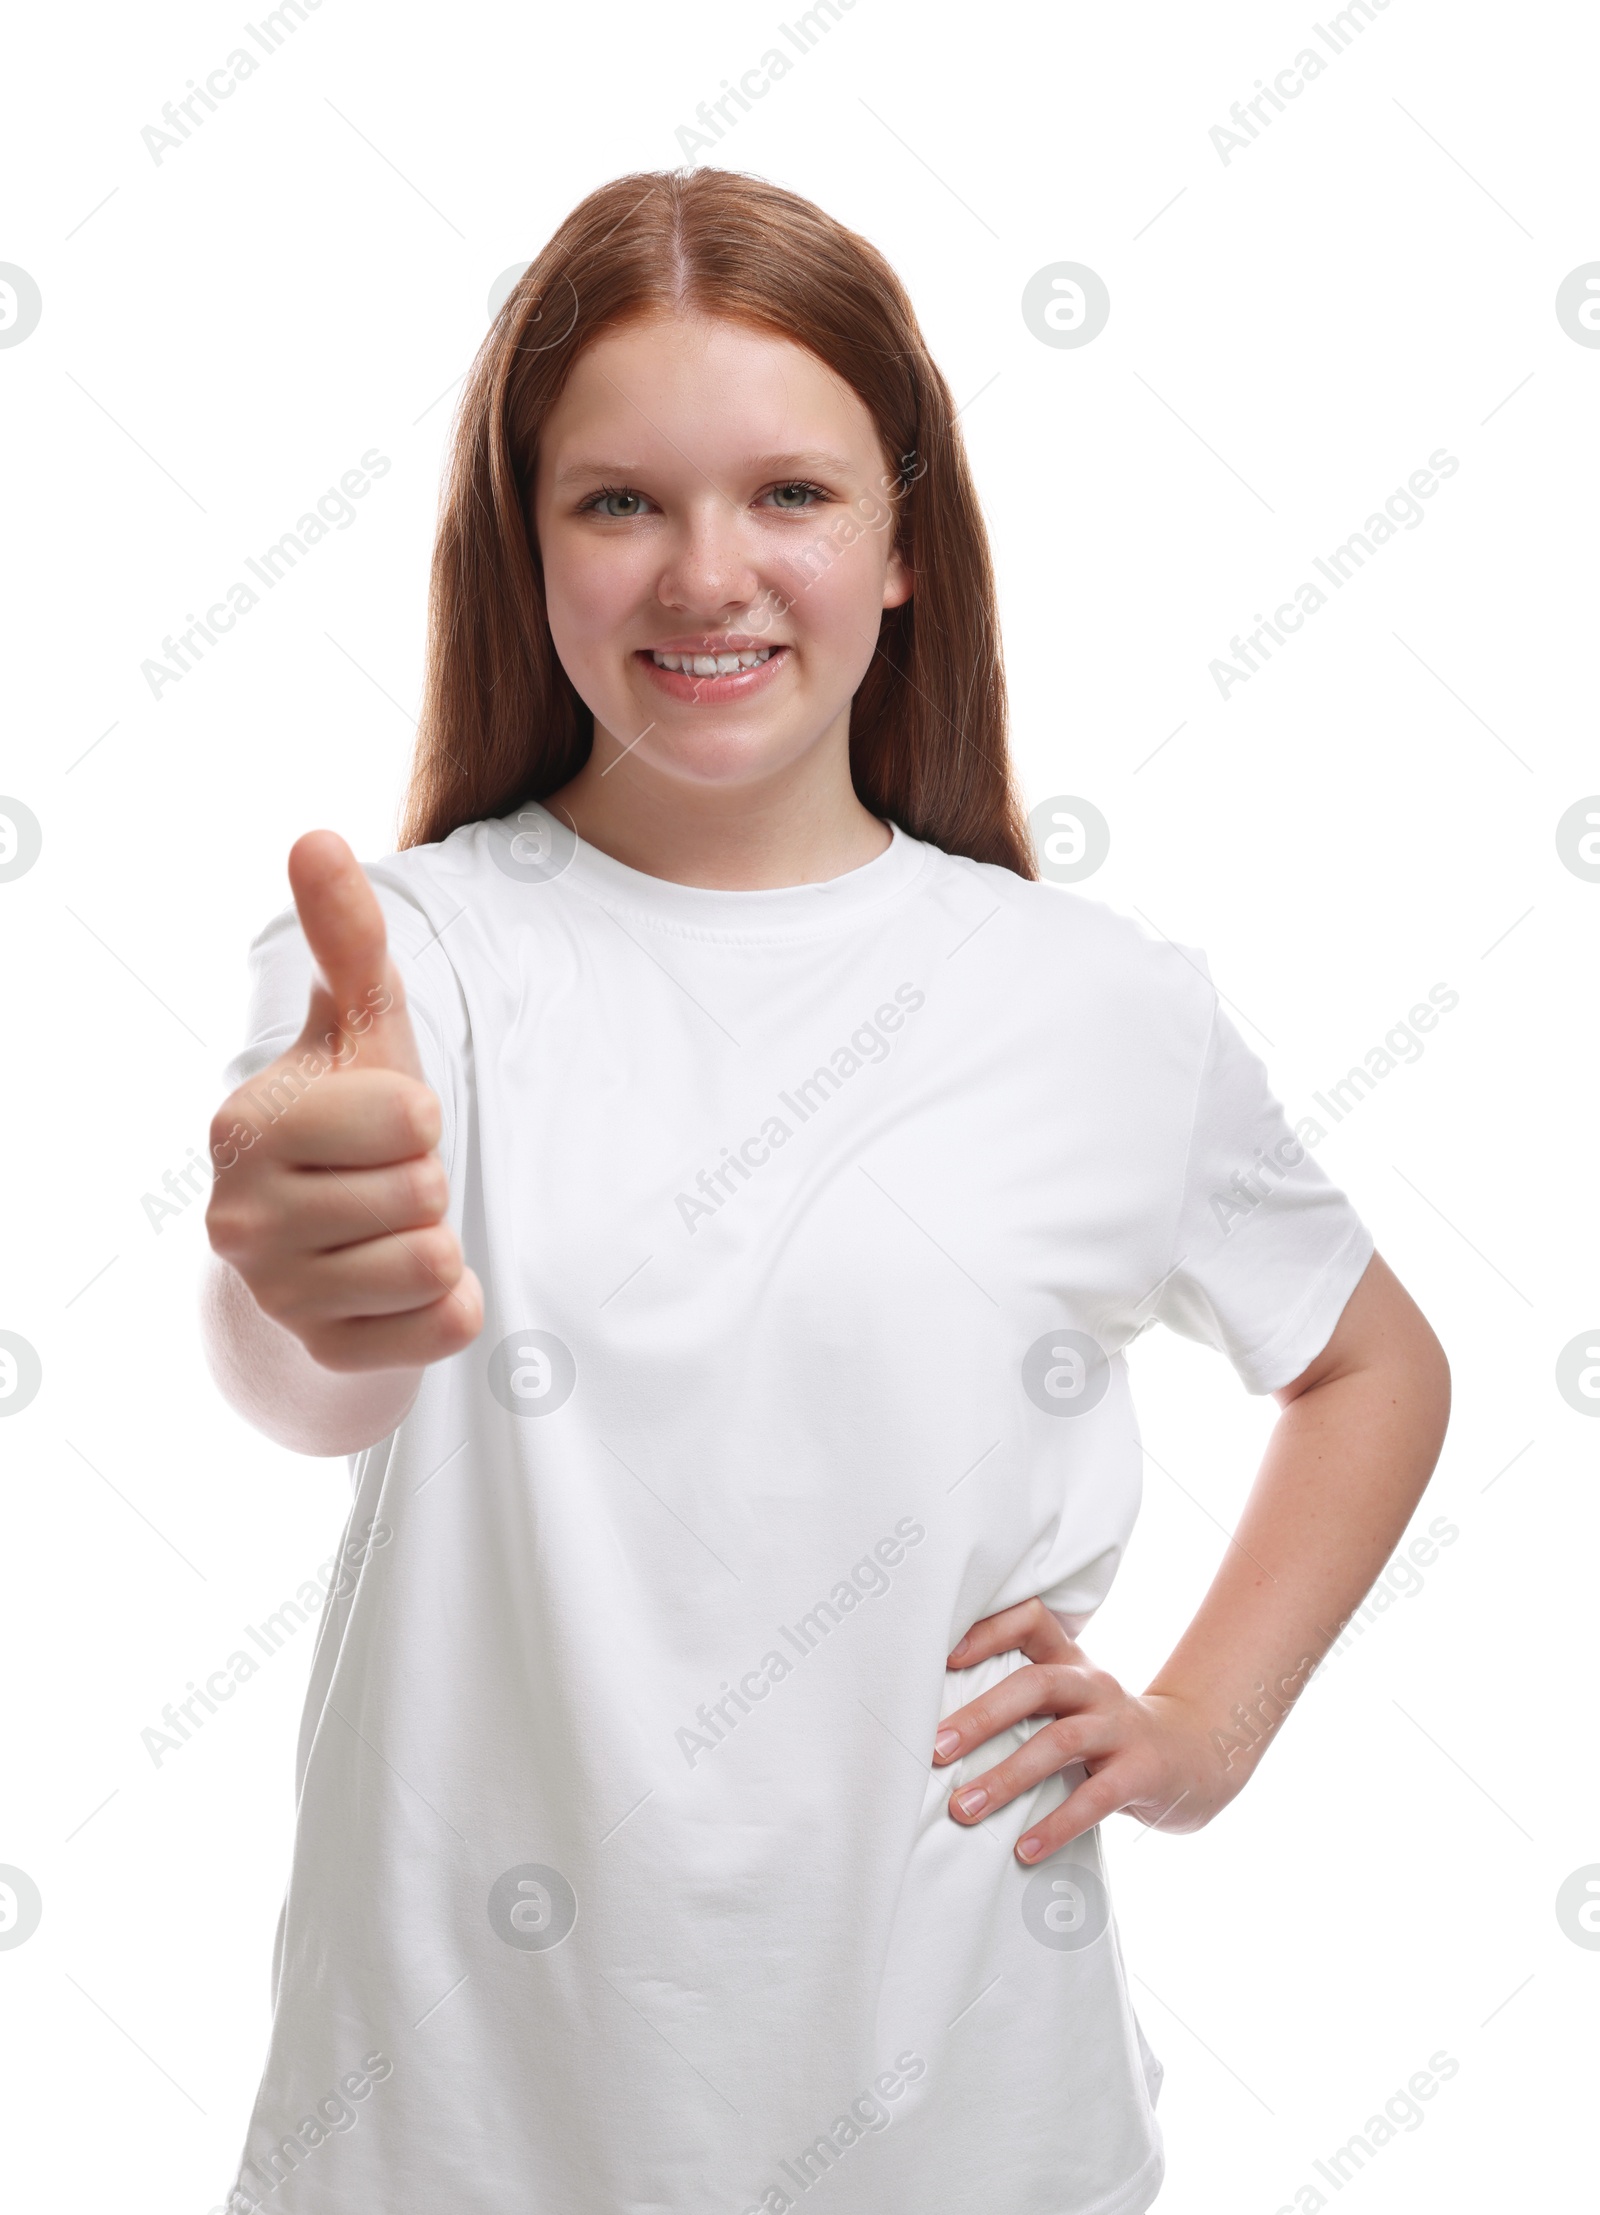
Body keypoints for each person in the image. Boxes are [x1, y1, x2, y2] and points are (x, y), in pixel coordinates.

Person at [201, 167, 1450, 2215]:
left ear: (900, 550)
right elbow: (301, 1366)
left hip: (962, 2137)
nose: (707, 575)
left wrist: (1202, 1726)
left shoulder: (1088, 1008)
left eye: (787, 494)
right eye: (618, 503)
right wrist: (300, 1282)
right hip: (451, 2143)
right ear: (526, 552)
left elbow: (1371, 1364)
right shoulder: (408, 967)